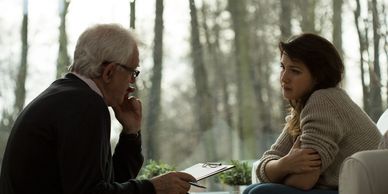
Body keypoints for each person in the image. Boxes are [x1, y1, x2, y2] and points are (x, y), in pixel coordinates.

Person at [0, 23, 196, 194]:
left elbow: (109, 184)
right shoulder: (84, 104)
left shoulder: (69, 97)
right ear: (109, 72)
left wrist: (130, 134)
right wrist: (154, 188)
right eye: (132, 73)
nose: (133, 84)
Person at [243, 33, 382, 194]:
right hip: (337, 189)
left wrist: (279, 170)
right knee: (253, 190)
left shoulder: (324, 100)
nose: (284, 78)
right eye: (282, 67)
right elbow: (265, 163)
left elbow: (303, 181)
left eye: (295, 71)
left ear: (318, 77)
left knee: (259, 192)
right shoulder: (302, 109)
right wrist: (285, 164)